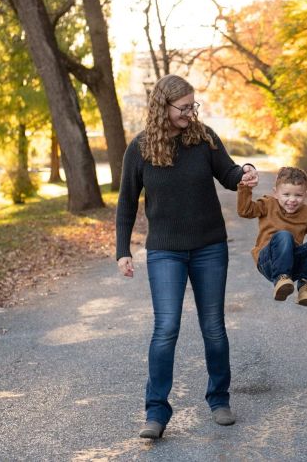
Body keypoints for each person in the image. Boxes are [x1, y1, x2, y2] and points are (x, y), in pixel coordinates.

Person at [116, 74, 258, 439]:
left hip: (210, 246)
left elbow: (227, 174)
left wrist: (244, 173)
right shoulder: (141, 147)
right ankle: (156, 412)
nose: (190, 113)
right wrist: (123, 251)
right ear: (162, 106)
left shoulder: (204, 137)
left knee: (213, 327)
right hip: (164, 251)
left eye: (193, 106)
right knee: (166, 329)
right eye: (183, 108)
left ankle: (219, 399)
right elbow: (127, 203)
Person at [237, 166, 307, 307]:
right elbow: (245, 211)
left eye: (298, 195)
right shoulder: (268, 204)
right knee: (284, 235)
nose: (292, 200)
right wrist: (245, 188)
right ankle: (281, 279)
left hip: (292, 265)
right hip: (268, 261)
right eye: (286, 194)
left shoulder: (306, 212)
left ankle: (305, 287)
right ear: (276, 193)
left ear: (305, 195)